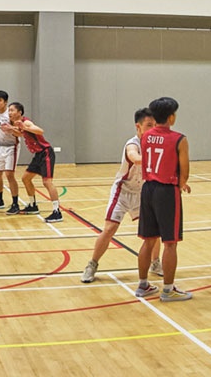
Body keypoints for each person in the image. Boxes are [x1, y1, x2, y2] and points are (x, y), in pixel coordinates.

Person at [81, 108, 152, 283]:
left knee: (152, 231)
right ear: (138, 126)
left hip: (142, 192)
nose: (153, 128)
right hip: (123, 191)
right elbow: (134, 157)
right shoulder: (132, 143)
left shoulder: (154, 144)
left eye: (155, 125)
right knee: (109, 229)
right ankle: (92, 264)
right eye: (149, 125)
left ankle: (156, 262)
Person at [134, 96, 193, 302]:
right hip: (166, 191)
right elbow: (184, 170)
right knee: (170, 243)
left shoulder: (145, 136)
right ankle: (168, 290)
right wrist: (182, 183)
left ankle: (142, 285)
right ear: (171, 117)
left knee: (148, 241)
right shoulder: (179, 138)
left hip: (147, 188)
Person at [11, 102, 63, 223]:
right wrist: (10, 130)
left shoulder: (26, 122)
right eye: (9, 111)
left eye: (12, 110)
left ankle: (57, 212)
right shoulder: (17, 124)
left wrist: (24, 127)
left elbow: (40, 131)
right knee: (26, 178)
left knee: (47, 182)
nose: (10, 113)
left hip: (46, 153)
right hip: (38, 155)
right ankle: (33, 205)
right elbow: (21, 133)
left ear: (19, 112)